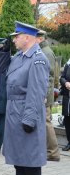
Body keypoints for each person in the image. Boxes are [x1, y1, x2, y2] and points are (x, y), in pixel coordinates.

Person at [3, 21, 50, 175]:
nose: (14, 40)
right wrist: (3, 53)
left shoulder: (38, 59)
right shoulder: (19, 57)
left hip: (25, 114)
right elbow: (5, 75)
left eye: (17, 36)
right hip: (14, 113)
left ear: (27, 38)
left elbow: (36, 92)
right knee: (19, 159)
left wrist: (29, 119)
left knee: (30, 161)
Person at [36, 30, 60, 161]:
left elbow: (50, 77)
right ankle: (49, 150)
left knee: (46, 122)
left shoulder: (46, 52)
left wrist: (44, 95)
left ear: (40, 38)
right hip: (45, 94)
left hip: (45, 95)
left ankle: (53, 153)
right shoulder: (43, 51)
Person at [60, 60, 70, 151]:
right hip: (68, 97)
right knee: (67, 120)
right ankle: (69, 141)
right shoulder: (68, 64)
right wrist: (65, 83)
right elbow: (62, 77)